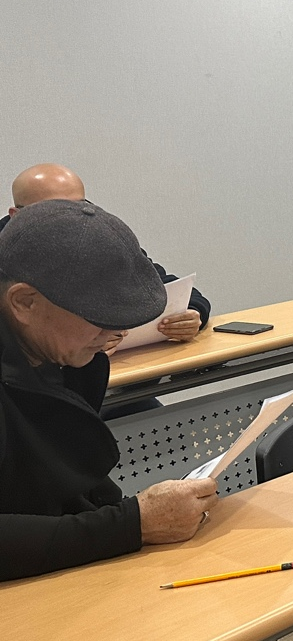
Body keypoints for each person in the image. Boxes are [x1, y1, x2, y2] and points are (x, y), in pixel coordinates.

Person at [0, 198, 217, 581]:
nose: (117, 333)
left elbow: (63, 491)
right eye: (98, 318)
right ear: (24, 302)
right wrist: (133, 523)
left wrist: (134, 518)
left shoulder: (70, 357)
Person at [4, 164, 211, 343]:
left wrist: (193, 312)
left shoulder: (99, 236)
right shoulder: (6, 256)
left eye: (78, 206)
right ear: (16, 215)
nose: (70, 219)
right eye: (52, 211)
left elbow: (159, 284)